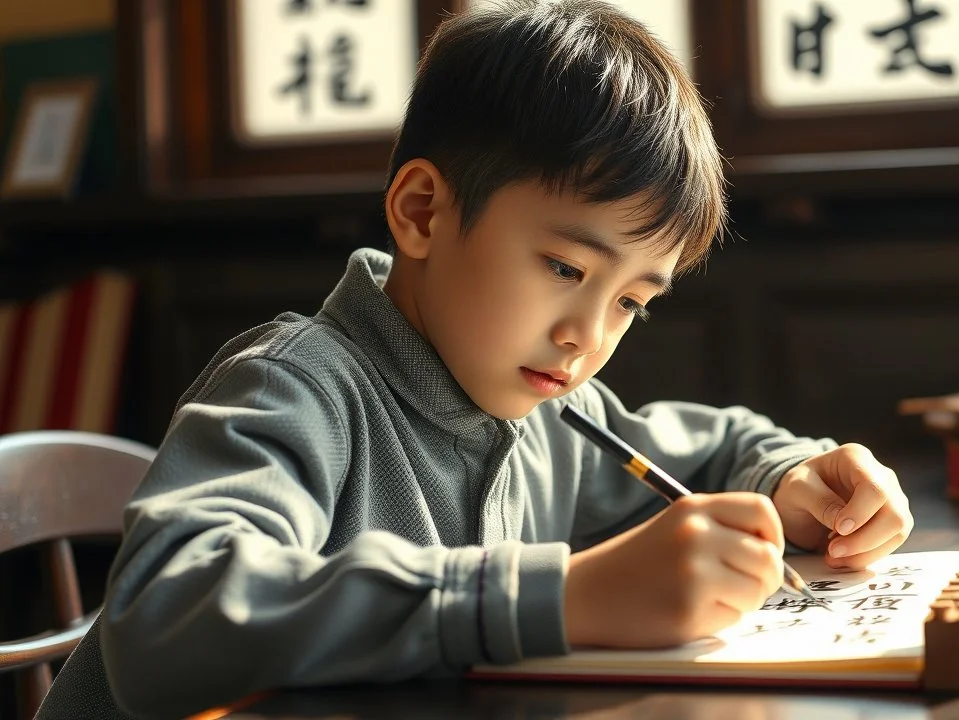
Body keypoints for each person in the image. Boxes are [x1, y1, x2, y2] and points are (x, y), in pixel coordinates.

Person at [36, 1, 912, 717]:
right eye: (566, 268)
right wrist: (558, 598)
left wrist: (794, 474)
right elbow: (167, 620)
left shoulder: (548, 411)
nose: (588, 337)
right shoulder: (293, 385)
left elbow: (713, 449)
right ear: (420, 211)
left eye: (633, 303)